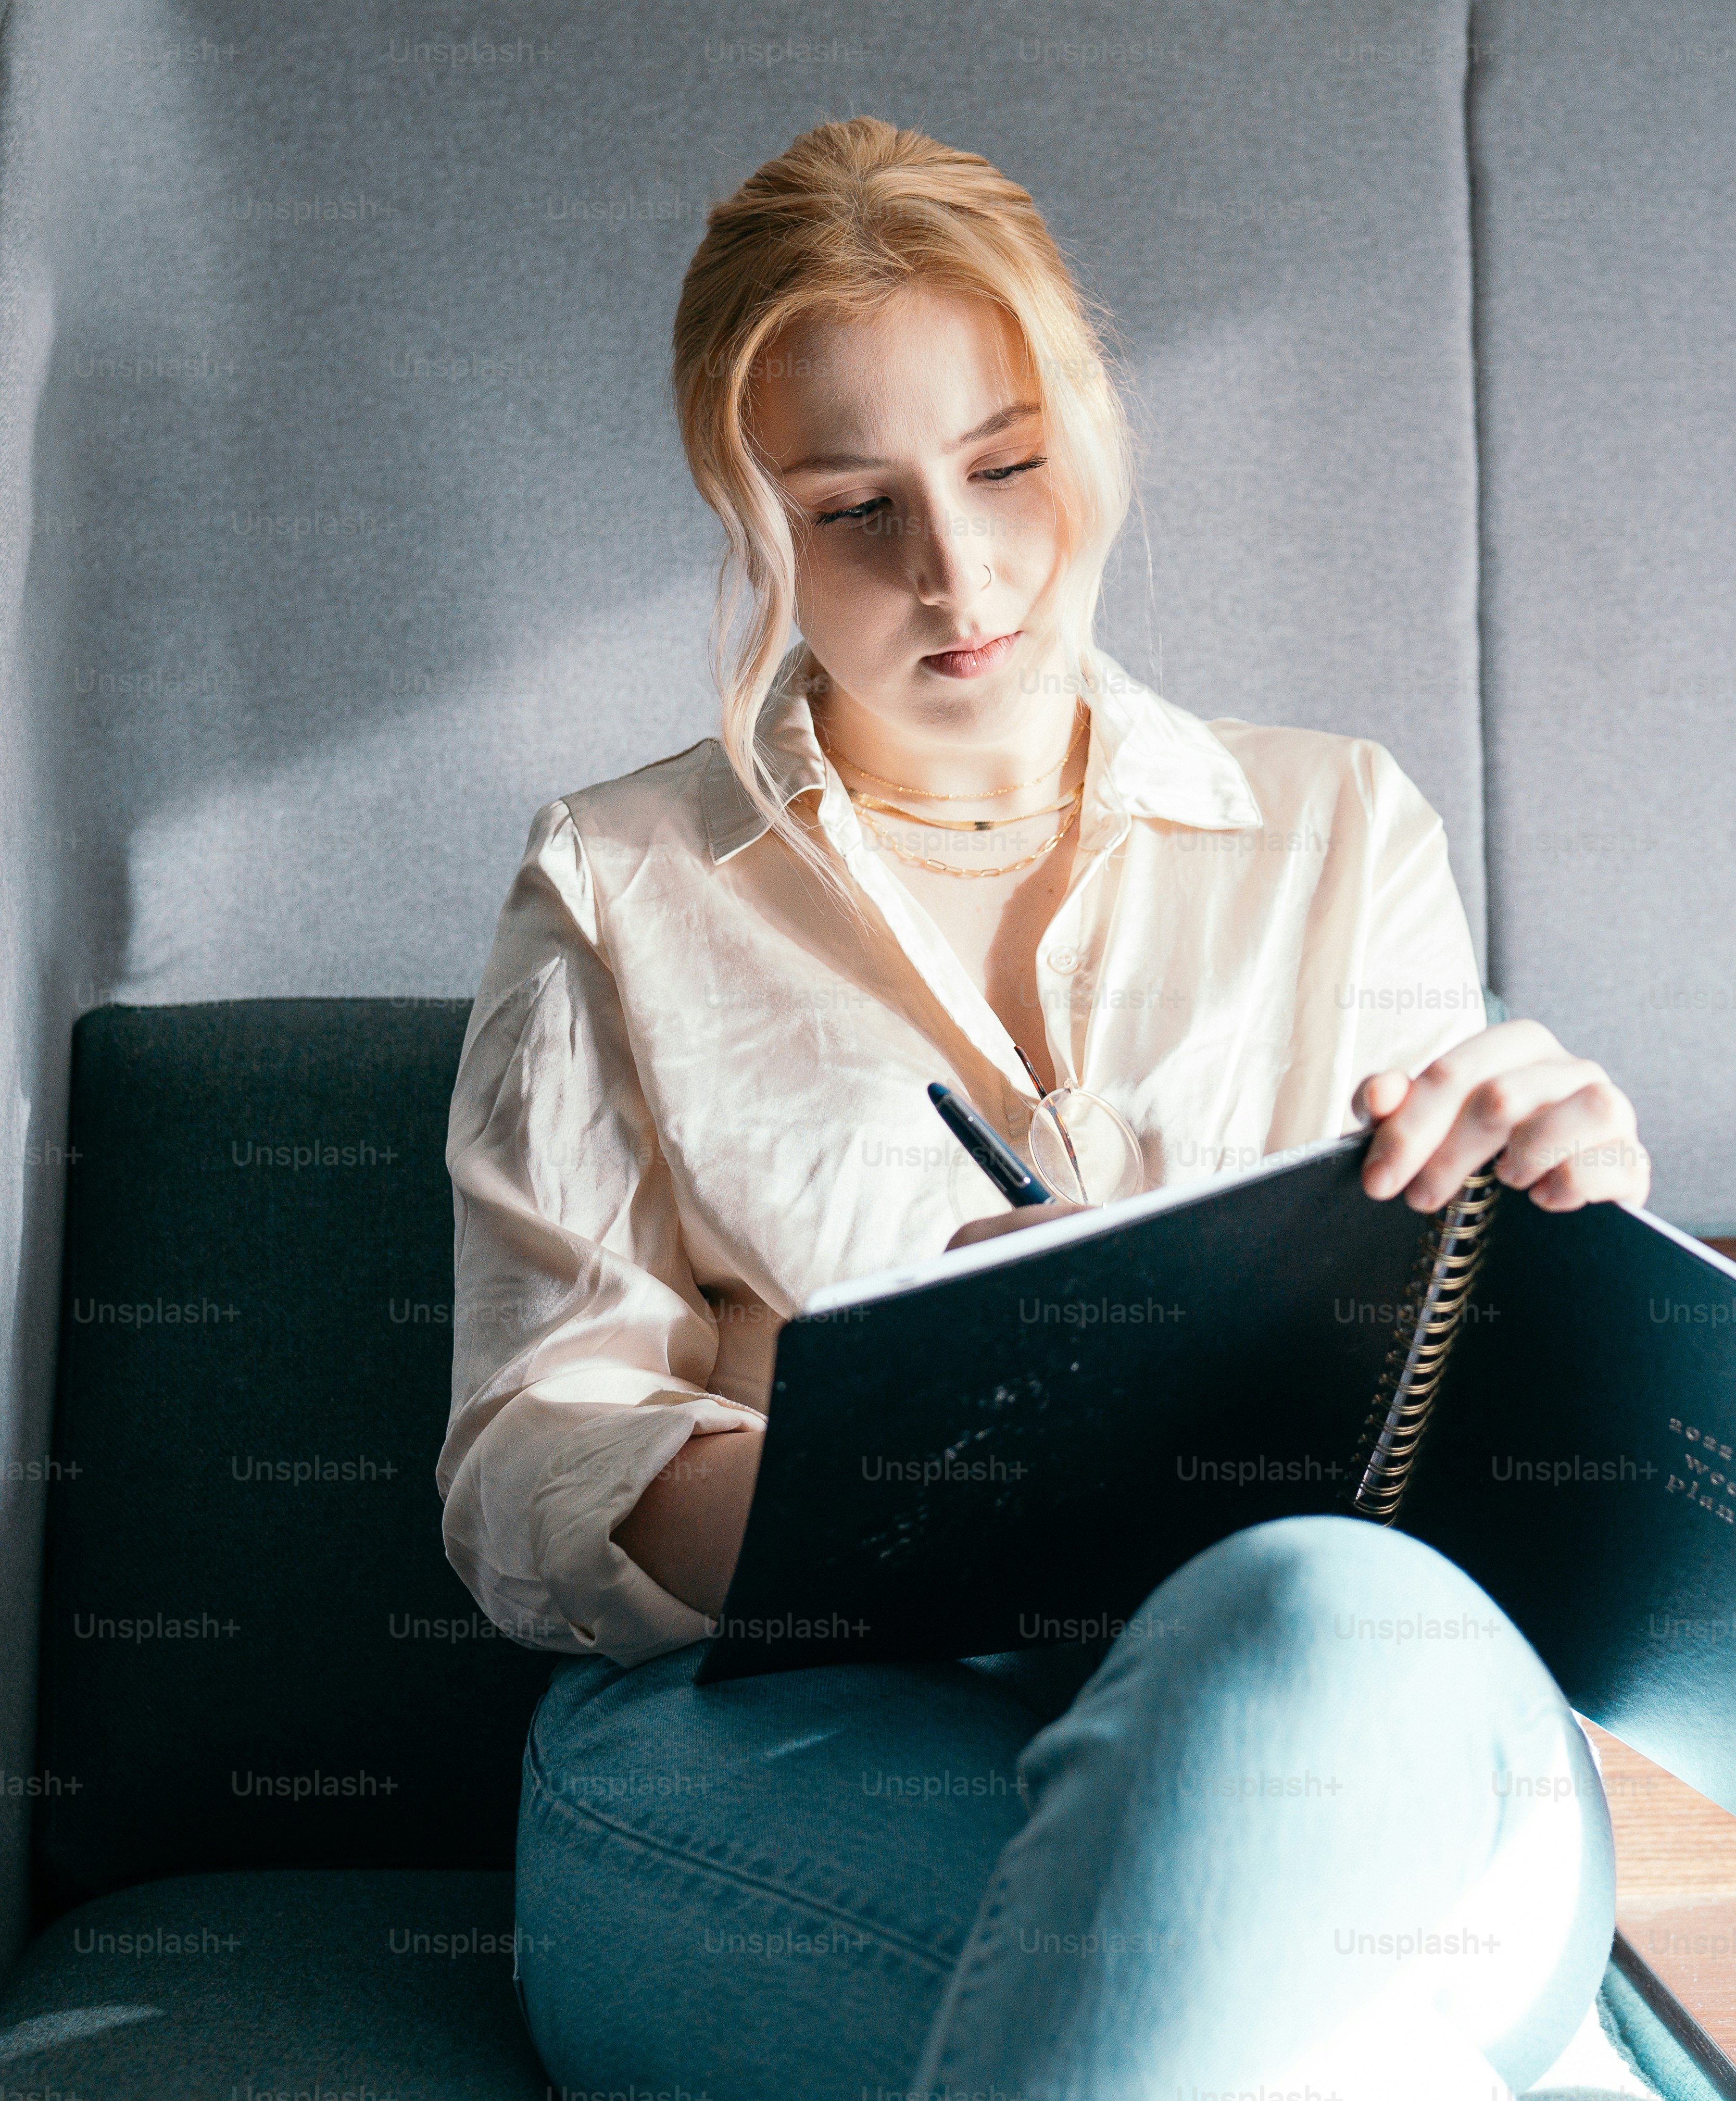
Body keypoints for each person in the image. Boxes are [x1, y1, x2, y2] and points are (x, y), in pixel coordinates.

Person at [435, 116, 1651, 2101]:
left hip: (1343, 1719)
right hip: (796, 1747)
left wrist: (1569, 1272)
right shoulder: (618, 883)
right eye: (852, 510)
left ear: (1091, 430)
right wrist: (940, 1474)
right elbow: (527, 1476)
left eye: (1004, 466)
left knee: (1311, 1605)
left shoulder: (1342, 827)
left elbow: (1433, 1460)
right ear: (757, 535)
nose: (960, 566)